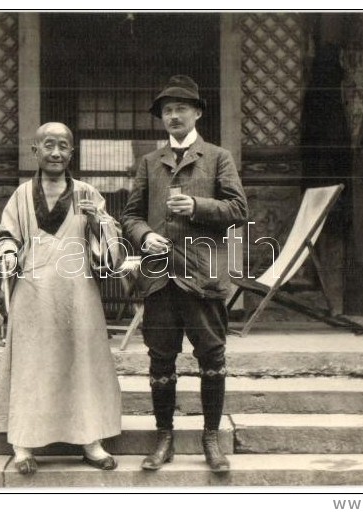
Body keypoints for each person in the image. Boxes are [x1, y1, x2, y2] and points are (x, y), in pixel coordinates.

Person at [120, 75, 248, 472]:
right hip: (159, 278)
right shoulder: (149, 162)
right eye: (167, 110)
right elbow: (129, 215)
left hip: (203, 275)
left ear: (197, 113)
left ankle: (211, 438)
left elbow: (238, 210)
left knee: (211, 355)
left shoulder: (217, 158)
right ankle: (164, 438)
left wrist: (196, 206)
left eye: (181, 109)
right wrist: (144, 236)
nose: (173, 116)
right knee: (161, 360)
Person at [0, 122, 123, 475]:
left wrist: (100, 223)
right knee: (32, 366)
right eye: (48, 145)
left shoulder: (87, 193)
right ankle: (23, 444)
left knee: (82, 364)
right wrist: (6, 253)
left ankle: (90, 441)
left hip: (77, 295)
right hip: (34, 293)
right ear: (35, 151)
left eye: (63, 146)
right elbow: (6, 235)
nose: (55, 152)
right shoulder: (21, 195)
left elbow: (111, 247)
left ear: (71, 152)